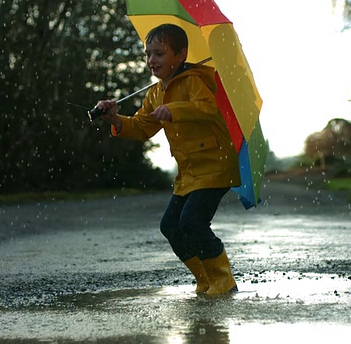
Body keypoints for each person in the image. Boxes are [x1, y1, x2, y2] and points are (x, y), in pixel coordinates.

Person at [92, 23, 240, 295]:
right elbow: (141, 127)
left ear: (180, 55)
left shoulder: (194, 81)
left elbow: (208, 109)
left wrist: (175, 110)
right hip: (189, 174)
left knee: (192, 222)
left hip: (215, 166)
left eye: (159, 53)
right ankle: (205, 278)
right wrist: (114, 119)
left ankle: (223, 280)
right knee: (170, 225)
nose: (151, 60)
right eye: (148, 54)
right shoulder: (156, 92)